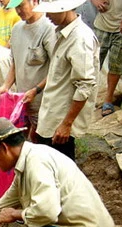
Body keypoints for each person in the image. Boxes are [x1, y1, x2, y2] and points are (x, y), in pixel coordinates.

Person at [34, 0, 99, 161]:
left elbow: (85, 85)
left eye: (51, 11)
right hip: (51, 115)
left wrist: (66, 124)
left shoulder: (79, 38)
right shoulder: (62, 32)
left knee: (61, 172)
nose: (47, 15)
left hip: (60, 124)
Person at [0, 0, 56, 142]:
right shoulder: (17, 29)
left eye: (21, 6)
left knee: (42, 141)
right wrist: (6, 86)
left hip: (43, 102)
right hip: (22, 101)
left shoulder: (49, 29)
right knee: (20, 140)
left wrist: (36, 90)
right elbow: (15, 63)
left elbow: (56, 69)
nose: (18, 11)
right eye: (15, 8)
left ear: (35, 1)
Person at [91, 0, 122, 116]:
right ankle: (87, 98)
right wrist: (96, 2)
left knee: (116, 65)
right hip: (102, 24)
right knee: (92, 63)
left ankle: (108, 99)